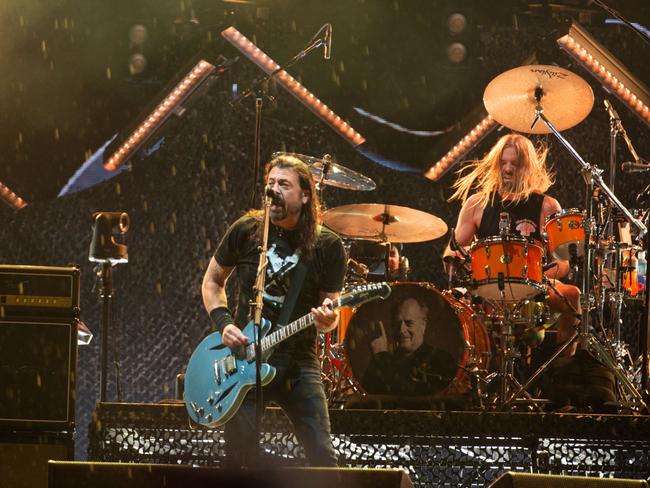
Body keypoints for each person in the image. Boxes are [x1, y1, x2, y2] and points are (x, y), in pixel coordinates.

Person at [201, 154, 347, 467]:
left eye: (284, 184)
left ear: (305, 195)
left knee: (323, 457)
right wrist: (224, 324)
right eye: (270, 183)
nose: (274, 190)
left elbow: (329, 312)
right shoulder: (246, 230)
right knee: (240, 459)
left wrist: (327, 319)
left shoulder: (327, 245)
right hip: (245, 358)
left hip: (298, 362)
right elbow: (212, 282)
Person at [443, 133, 580, 357]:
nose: (507, 169)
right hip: (486, 288)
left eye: (514, 164)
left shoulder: (547, 205)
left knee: (572, 295)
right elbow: (452, 249)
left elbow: (564, 262)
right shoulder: (477, 203)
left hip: (532, 287)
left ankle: (562, 371)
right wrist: (456, 261)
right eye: (503, 163)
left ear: (528, 167)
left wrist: (539, 274)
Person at [361, 296, 457, 396]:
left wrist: (380, 357)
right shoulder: (386, 361)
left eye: (409, 323)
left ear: (423, 325)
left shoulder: (441, 360)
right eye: (398, 323)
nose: (401, 330)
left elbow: (410, 398)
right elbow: (367, 396)